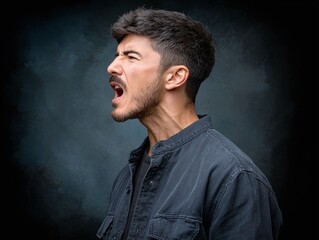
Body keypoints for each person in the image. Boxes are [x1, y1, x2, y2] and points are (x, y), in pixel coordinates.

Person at [97, 7, 283, 240]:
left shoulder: (234, 177)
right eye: (117, 55)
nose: (112, 66)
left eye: (131, 56)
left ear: (175, 77)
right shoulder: (126, 177)